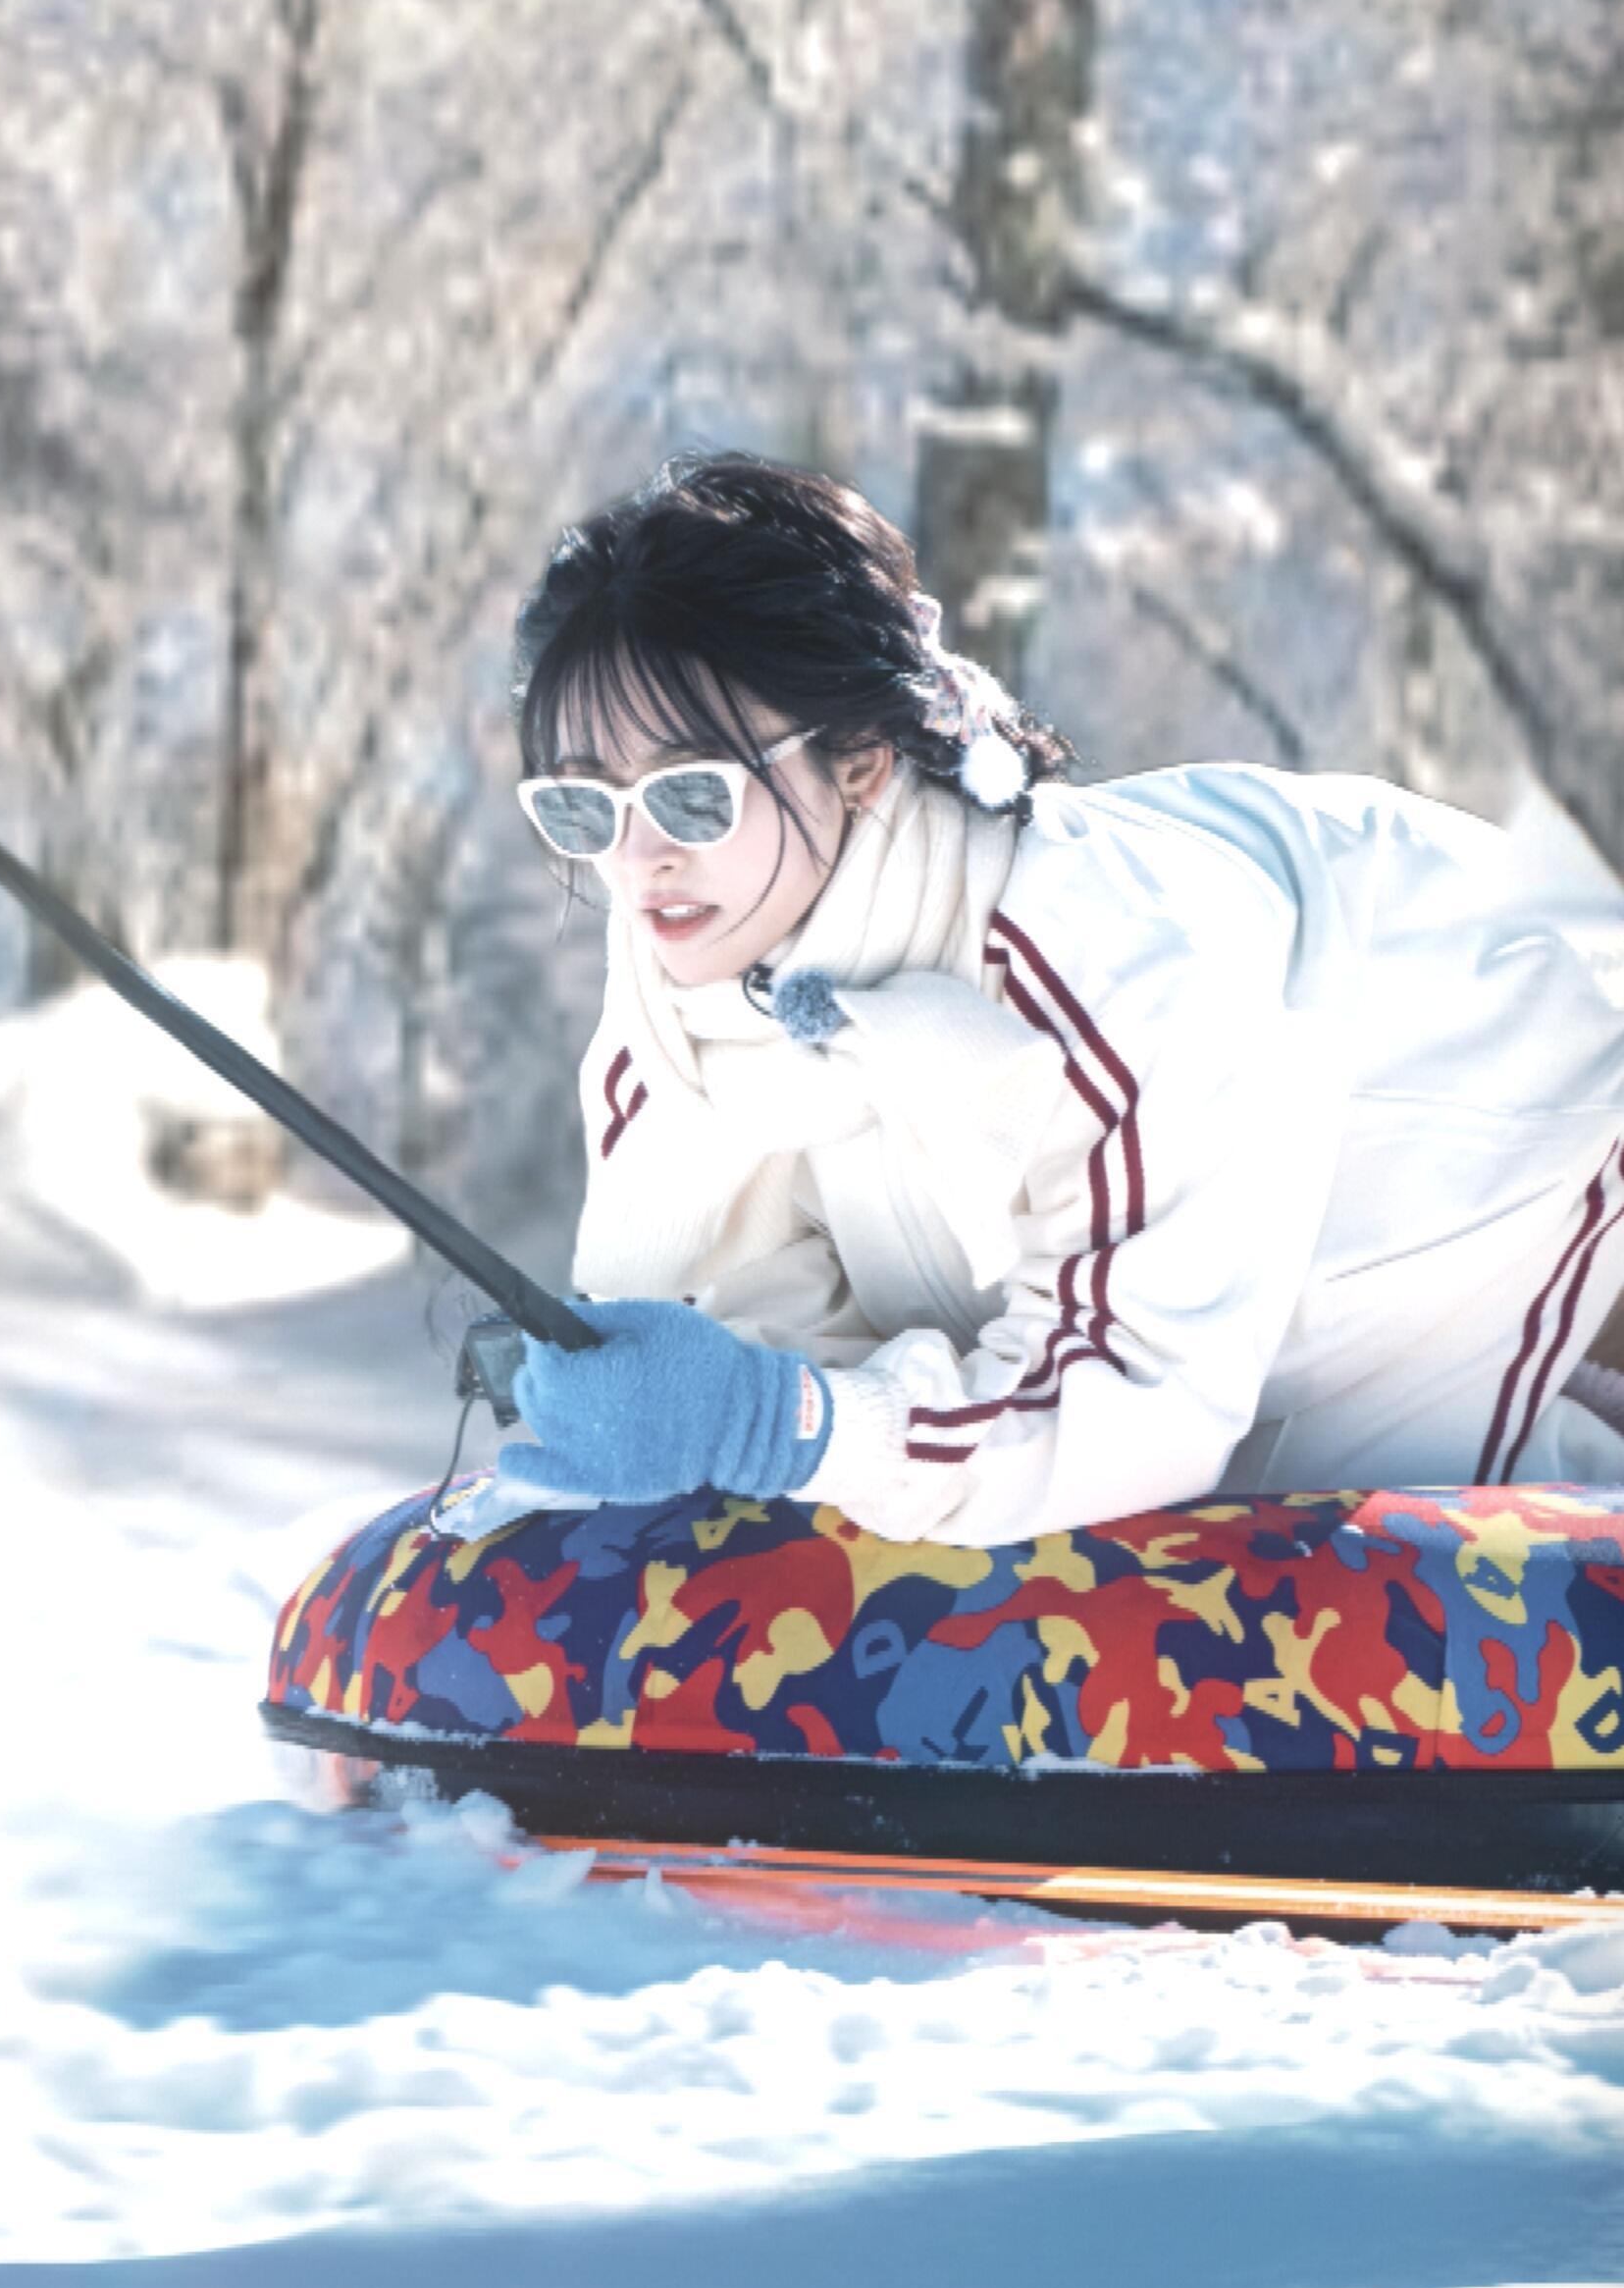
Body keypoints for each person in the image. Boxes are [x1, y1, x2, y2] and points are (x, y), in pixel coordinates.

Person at [487, 452, 1624, 1538]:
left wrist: (788, 1424)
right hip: (1258, 1207)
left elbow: (1136, 1391)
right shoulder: (684, 991)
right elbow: (768, 1327)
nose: (636, 859)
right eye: (581, 807)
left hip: (1506, 1089)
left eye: (691, 794)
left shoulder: (1108, 963)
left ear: (861, 759)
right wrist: (719, 1394)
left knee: (1345, 1573)